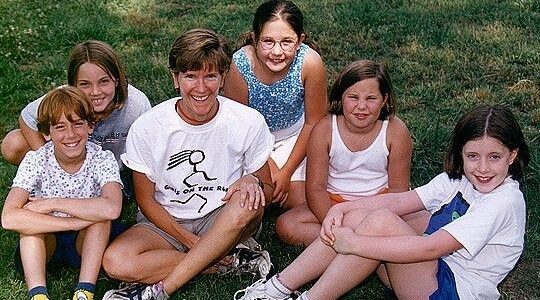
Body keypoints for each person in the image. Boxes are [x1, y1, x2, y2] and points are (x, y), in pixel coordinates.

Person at [235, 104, 530, 300]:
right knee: (363, 217)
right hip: (428, 271)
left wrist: (354, 244)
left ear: (512, 155)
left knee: (377, 223)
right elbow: (404, 201)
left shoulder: (504, 202)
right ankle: (274, 289)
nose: (482, 168)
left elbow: (431, 247)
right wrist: (344, 208)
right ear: (461, 153)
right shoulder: (458, 179)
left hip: (453, 291)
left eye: (494, 157)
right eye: (472, 156)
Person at [101, 28, 275, 300]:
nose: (201, 87)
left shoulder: (247, 121)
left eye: (211, 76)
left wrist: (252, 180)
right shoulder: (148, 127)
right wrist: (189, 241)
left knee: (246, 198)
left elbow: (268, 189)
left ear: (223, 78)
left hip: (223, 217)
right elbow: (146, 201)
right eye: (191, 76)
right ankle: (227, 262)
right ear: (175, 78)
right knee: (116, 262)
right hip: (165, 221)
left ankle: (160, 290)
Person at [1, 86, 123, 300]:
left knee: (101, 218)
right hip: (45, 243)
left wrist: (52, 203)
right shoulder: (36, 159)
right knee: (28, 225)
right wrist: (74, 222)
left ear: (90, 126)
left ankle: (84, 291)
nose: (70, 135)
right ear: (47, 133)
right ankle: (38, 294)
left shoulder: (102, 159)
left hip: (85, 243)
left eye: (78, 124)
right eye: (60, 127)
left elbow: (112, 208)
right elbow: (9, 217)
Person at [275, 60, 412, 246]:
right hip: (333, 202)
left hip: (380, 203)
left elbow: (399, 190)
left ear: (384, 99)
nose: (361, 106)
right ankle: (366, 244)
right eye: (353, 97)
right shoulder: (324, 129)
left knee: (424, 219)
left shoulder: (395, 130)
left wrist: (372, 217)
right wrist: (331, 221)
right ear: (341, 97)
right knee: (287, 226)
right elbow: (315, 188)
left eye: (371, 98)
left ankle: (352, 243)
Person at [0, 40, 151, 202]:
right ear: (73, 85)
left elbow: (151, 149)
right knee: (12, 143)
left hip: (111, 171)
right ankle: (45, 179)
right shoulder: (65, 99)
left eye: (104, 81)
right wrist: (49, 163)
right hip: (69, 161)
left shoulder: (137, 104)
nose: (95, 92)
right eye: (85, 84)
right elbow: (27, 117)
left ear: (117, 80)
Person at [223, 0, 327, 210]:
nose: (277, 51)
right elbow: (238, 125)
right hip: (249, 141)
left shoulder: (310, 62)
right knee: (246, 194)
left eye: (287, 42)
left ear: (300, 41)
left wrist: (286, 171)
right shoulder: (240, 65)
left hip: (297, 139)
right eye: (268, 41)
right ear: (254, 38)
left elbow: (314, 122)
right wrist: (270, 169)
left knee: (305, 197)